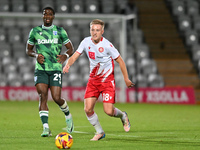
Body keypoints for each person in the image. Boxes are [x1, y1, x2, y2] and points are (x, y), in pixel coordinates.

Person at [63, 19, 134, 141]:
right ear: (90, 30)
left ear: (102, 31)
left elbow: (120, 61)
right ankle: (99, 132)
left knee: (108, 111)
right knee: (87, 108)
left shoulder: (107, 45)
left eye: (97, 30)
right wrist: (68, 64)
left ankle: (122, 115)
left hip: (107, 82)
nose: (94, 32)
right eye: (92, 30)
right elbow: (75, 56)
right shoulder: (86, 42)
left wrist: (126, 79)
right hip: (93, 81)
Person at [26, 6, 74, 137]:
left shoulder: (60, 31)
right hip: (41, 69)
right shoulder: (35, 31)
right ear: (42, 16)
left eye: (50, 14)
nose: (47, 16)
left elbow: (70, 48)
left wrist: (65, 55)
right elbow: (28, 50)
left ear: (53, 16)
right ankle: (46, 128)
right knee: (43, 96)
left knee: (56, 97)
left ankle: (68, 115)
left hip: (55, 69)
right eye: (45, 14)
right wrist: (36, 55)